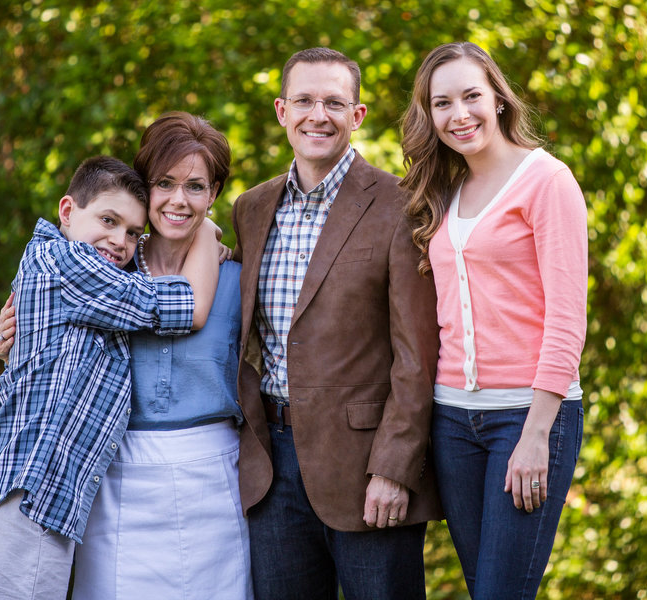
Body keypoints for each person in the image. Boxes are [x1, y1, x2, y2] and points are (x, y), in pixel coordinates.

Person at [0, 115, 252, 599]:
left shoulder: (238, 278)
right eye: (165, 183)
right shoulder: (108, 270)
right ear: (146, 187)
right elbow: (48, 337)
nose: (179, 199)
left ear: (213, 193)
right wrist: (3, 343)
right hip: (116, 479)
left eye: (195, 187)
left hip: (215, 480)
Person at [231, 47, 440, 600]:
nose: (316, 115)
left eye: (333, 102)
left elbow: (418, 355)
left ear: (358, 115)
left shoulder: (401, 204)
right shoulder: (250, 210)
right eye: (303, 100)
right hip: (271, 470)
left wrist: (395, 467)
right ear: (281, 111)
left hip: (368, 471)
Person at [399, 42, 587, 600]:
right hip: (453, 421)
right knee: (482, 587)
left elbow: (567, 319)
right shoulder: (444, 190)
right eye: (442, 104)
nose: (459, 115)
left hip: (525, 419)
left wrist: (535, 434)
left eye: (471, 96)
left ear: (499, 100)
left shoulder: (546, 181)